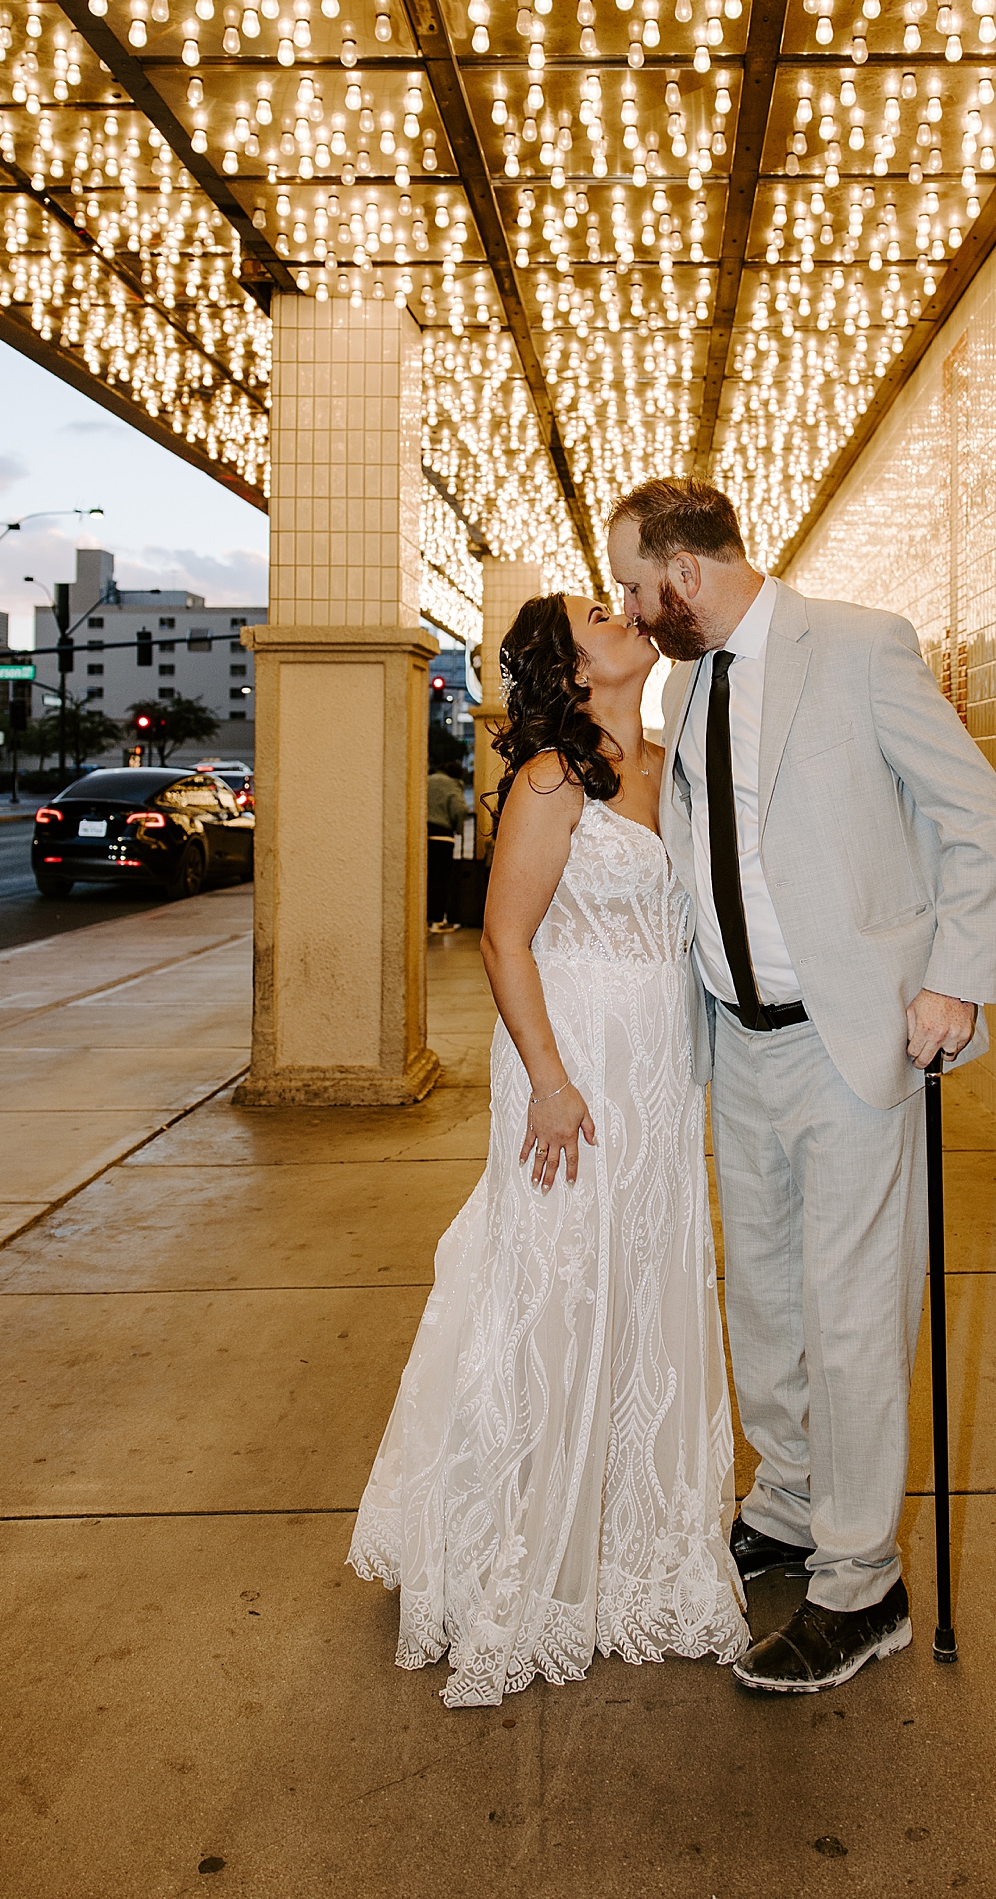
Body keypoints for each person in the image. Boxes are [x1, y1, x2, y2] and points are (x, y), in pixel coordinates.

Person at [607, 477, 996, 1695]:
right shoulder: (690, 684)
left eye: (635, 583)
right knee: (769, 1304)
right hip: (740, 1040)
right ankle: (787, 1505)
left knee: (849, 1314)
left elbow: (973, 810)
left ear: (685, 570)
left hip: (852, 1040)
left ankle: (861, 1581)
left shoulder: (857, 646)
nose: (630, 608)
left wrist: (956, 978)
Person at [349, 591, 747, 1706]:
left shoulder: (672, 762)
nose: (622, 613)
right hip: (568, 1062)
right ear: (570, 670)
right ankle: (525, 1539)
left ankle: (637, 1539)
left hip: (660, 1069)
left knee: (648, 1272)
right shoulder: (549, 779)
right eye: (593, 613)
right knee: (556, 1278)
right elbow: (504, 937)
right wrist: (553, 1084)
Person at [425, 751, 465, 932]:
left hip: (423, 835)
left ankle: (423, 919)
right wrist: (458, 829)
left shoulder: (427, 779)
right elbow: (459, 808)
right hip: (442, 837)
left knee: (425, 879)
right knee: (441, 880)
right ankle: (437, 920)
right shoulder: (452, 785)